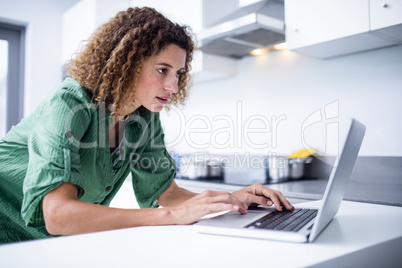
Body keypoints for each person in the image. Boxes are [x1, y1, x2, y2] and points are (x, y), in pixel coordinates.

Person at [0, 7, 293, 244]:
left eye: (178, 73)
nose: (174, 85)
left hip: (45, 245)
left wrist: (232, 199)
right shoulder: (68, 104)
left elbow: (168, 195)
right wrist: (168, 217)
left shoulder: (144, 118)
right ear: (126, 63)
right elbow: (58, 215)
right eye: (163, 70)